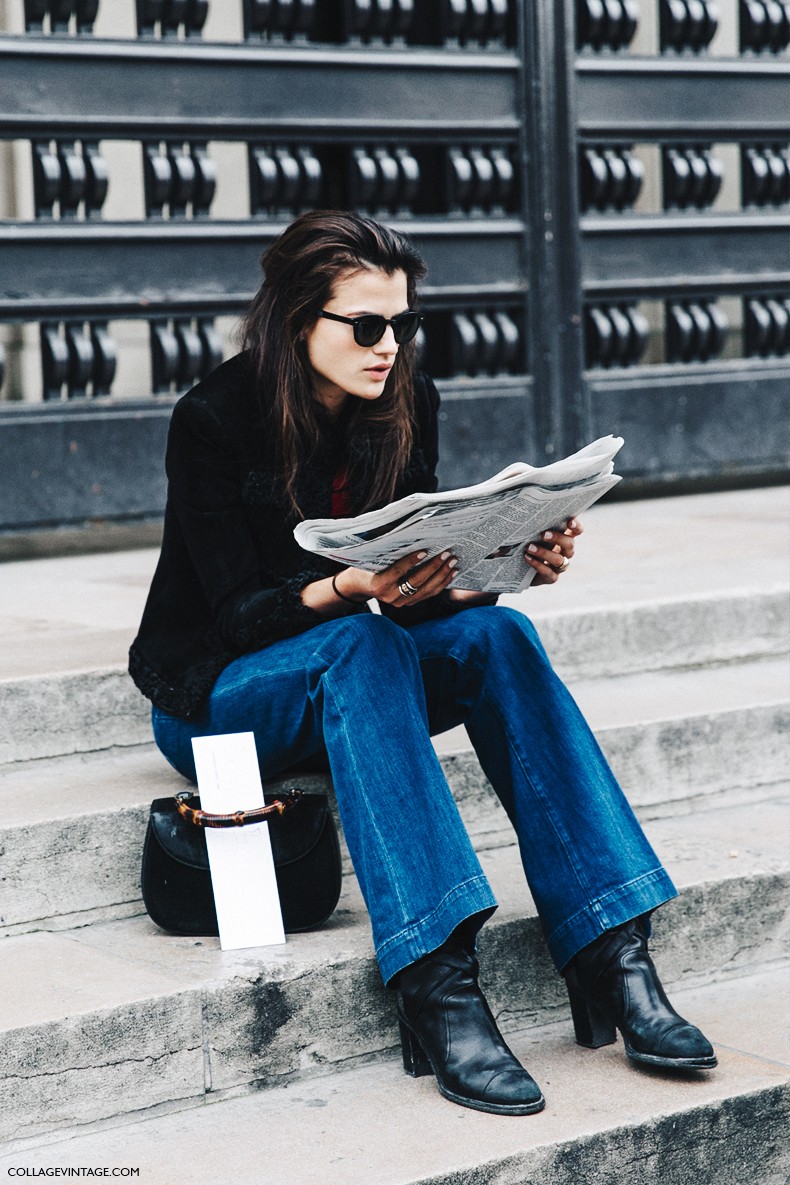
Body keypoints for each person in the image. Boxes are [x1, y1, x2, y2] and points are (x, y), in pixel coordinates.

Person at [129, 210, 716, 1117]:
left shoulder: (407, 398)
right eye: (366, 326)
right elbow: (238, 617)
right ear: (297, 322)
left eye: (403, 324)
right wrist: (354, 586)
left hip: (360, 667)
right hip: (222, 692)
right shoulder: (211, 418)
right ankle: (437, 981)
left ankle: (613, 950)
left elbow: (423, 588)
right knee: (362, 637)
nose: (389, 346)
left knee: (499, 636)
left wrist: (508, 567)